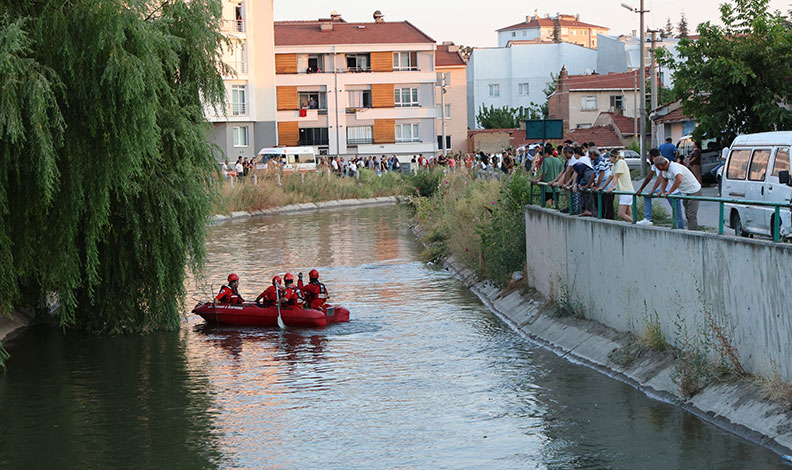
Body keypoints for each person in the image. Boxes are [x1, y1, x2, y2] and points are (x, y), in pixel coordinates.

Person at [635, 149, 682, 228]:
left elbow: (661, 178)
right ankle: (648, 219)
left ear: (652, 156)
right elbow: (649, 176)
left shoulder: (662, 161)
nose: (648, 158)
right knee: (647, 195)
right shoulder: (655, 163)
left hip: (672, 190)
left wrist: (653, 190)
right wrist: (641, 188)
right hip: (664, 189)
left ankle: (681, 230)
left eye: (649, 156)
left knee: (677, 214)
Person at [655, 156, 703, 230]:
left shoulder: (674, 167)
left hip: (694, 191)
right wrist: (662, 190)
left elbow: (679, 179)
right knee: (687, 214)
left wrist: (669, 192)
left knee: (691, 215)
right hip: (685, 192)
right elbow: (665, 180)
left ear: (660, 166)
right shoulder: (665, 170)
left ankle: (692, 234)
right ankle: (690, 231)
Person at [604, 151, 635, 222]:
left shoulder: (620, 162)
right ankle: (633, 224)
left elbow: (616, 176)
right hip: (624, 191)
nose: (609, 159)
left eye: (610, 157)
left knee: (621, 214)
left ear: (613, 157)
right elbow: (610, 177)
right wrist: (602, 187)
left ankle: (636, 224)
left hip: (626, 191)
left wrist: (611, 188)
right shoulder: (614, 165)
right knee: (627, 211)